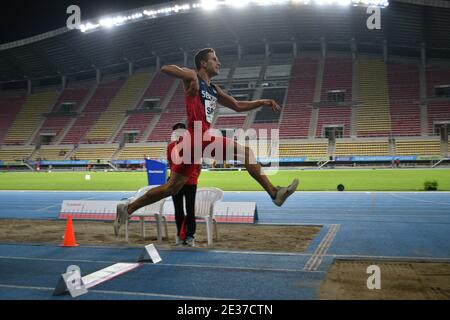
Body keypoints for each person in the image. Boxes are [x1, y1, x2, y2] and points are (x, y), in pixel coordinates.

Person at [114, 48, 298, 236]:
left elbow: (237, 105)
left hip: (195, 143)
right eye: (214, 59)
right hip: (196, 136)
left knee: (172, 187)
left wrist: (262, 101)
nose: (219, 63)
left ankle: (127, 209)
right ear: (203, 63)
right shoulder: (191, 75)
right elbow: (165, 68)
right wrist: (192, 78)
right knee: (246, 152)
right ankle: (274, 193)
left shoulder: (214, 89)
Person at [168, 122, 201, 246]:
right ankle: (189, 236)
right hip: (189, 182)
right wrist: (194, 177)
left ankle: (181, 235)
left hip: (177, 182)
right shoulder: (193, 145)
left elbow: (171, 165)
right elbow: (198, 166)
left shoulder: (171, 146)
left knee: (179, 210)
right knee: (189, 209)